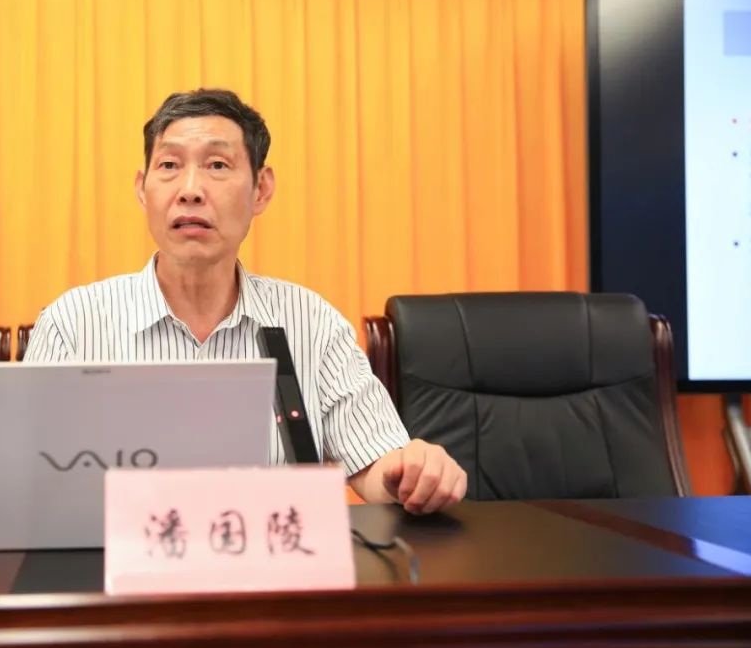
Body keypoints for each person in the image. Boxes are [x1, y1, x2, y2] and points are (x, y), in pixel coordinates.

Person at [24, 89, 466, 514]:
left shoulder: (310, 322)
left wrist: (415, 473)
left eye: (217, 165)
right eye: (169, 165)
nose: (190, 190)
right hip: (121, 565)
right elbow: (27, 484)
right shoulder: (73, 324)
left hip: (270, 565)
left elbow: (376, 464)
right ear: (142, 189)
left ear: (261, 190)